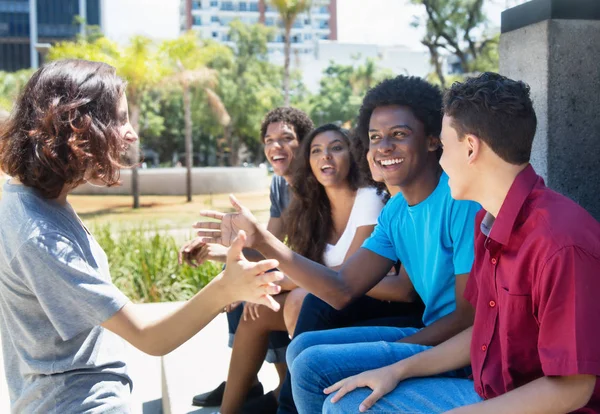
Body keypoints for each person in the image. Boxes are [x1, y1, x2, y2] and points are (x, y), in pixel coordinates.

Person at [0, 59, 283, 413]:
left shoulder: (34, 200)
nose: (131, 133)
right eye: (119, 119)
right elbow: (150, 337)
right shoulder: (39, 235)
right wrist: (228, 287)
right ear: (77, 127)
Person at [193, 75, 482, 414]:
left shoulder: (459, 199)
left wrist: (389, 350)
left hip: (463, 349)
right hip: (429, 331)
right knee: (301, 347)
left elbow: (467, 318)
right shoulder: (397, 211)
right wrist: (263, 240)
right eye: (375, 137)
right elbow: (342, 287)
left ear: (433, 140)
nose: (384, 146)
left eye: (399, 135)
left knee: (313, 365)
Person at [322, 72, 600, 413]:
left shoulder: (560, 242)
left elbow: (573, 389)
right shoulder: (487, 223)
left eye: (444, 145)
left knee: (345, 407)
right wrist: (395, 370)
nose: (439, 159)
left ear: (470, 148)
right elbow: (483, 333)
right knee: (348, 397)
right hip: (488, 390)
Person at [210, 123, 392, 414]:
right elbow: (305, 266)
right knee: (255, 309)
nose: (326, 157)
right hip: (324, 295)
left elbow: (348, 274)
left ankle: (294, 400)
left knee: (297, 300)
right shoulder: (312, 208)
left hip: (365, 299)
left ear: (353, 154)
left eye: (336, 148)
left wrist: (276, 281)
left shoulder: (369, 199)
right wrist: (252, 277)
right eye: (317, 151)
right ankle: (228, 411)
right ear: (308, 162)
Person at [180, 107, 314, 409]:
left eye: (286, 138)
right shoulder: (280, 184)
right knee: (236, 282)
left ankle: (282, 388)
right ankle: (249, 383)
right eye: (269, 140)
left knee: (253, 293)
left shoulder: (317, 185)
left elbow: (312, 258)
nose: (275, 147)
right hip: (296, 272)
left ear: (305, 143)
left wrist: (261, 278)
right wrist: (217, 251)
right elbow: (270, 243)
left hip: (310, 279)